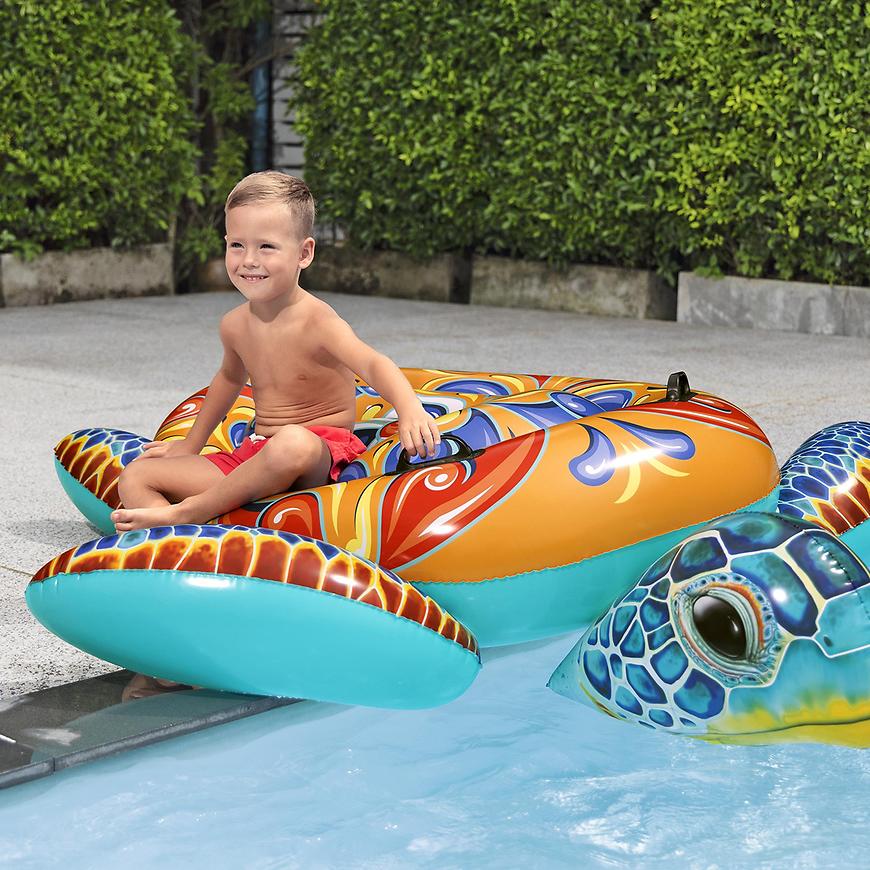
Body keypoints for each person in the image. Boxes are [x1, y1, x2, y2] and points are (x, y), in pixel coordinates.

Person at [111, 171, 441, 534]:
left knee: (291, 442)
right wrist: (191, 444)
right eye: (237, 245)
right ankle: (186, 541)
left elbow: (373, 363)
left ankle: (189, 513)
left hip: (317, 454)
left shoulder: (318, 322)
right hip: (254, 454)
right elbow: (229, 380)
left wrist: (409, 408)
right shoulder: (234, 325)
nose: (248, 260)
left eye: (266, 247)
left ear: (304, 253)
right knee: (136, 476)